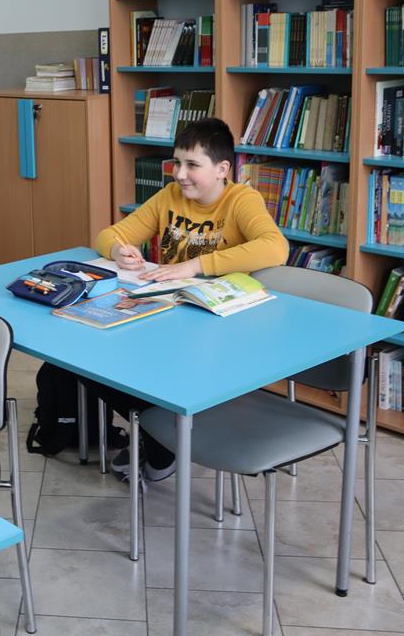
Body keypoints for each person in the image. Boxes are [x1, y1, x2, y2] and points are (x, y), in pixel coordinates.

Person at [92, 117, 289, 482]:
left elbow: (276, 247)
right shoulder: (170, 196)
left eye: (192, 165)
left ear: (222, 169)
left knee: (128, 366)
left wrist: (196, 265)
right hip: (169, 318)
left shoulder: (241, 200)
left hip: (217, 329)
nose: (180, 174)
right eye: (177, 163)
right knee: (92, 361)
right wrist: (119, 250)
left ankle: (161, 440)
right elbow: (110, 234)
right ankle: (158, 435)